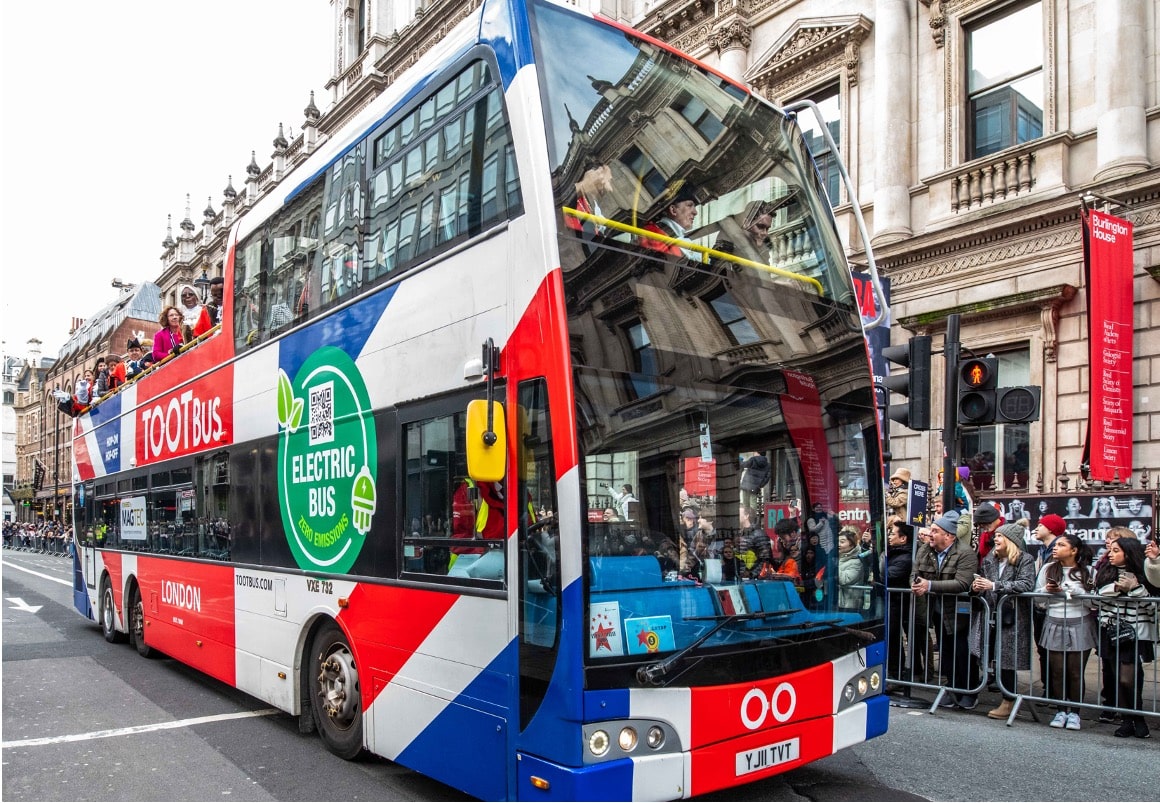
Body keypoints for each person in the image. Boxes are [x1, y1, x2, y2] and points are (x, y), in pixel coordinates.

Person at [911, 509, 979, 709]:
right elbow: (916, 572)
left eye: (935, 530)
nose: (929, 534)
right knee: (947, 653)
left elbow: (962, 583)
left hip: (960, 611)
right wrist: (915, 584)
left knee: (962, 652)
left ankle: (968, 691)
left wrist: (929, 586)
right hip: (938, 611)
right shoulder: (925, 550)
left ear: (948, 536)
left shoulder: (965, 553)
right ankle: (951, 688)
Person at [1092, 532, 1158, 738]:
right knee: (1117, 678)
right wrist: (1115, 588)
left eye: (1116, 550)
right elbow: (1094, 601)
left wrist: (1136, 589)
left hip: (1134, 633)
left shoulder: (1145, 574)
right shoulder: (1105, 571)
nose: (1110, 554)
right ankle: (1127, 720)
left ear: (1128, 553)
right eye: (1110, 550)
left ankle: (1137, 718)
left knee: (1128, 678)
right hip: (1110, 631)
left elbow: (1153, 608)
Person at [969, 523, 1036, 720]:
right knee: (992, 656)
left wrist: (995, 585)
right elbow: (983, 582)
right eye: (995, 536)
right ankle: (1007, 697)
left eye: (1000, 536)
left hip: (1012, 616)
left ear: (1011, 540)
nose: (995, 540)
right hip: (990, 615)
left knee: (1007, 660)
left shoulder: (1025, 559)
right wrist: (977, 587)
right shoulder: (990, 559)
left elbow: (1026, 584)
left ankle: (1009, 700)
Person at [1034, 532, 1097, 730]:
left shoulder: (1088, 572)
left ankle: (1075, 713)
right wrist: (1047, 591)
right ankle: (1060, 710)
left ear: (1074, 550)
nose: (1055, 547)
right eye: (1056, 544)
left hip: (1080, 623)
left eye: (1061, 545)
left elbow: (1096, 603)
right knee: (1057, 671)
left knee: (1075, 672)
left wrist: (1079, 593)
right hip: (1054, 622)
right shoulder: (1047, 569)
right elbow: (1037, 600)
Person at [1030, 513, 1068, 690]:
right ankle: (1049, 687)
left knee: (1054, 652)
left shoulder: (1057, 551)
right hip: (1040, 606)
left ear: (1051, 529)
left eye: (1040, 525)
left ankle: (1055, 689)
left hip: (1053, 609)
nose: (1036, 528)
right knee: (1042, 649)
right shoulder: (1042, 550)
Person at [884, 520, 920, 689]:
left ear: (903, 538)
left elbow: (885, 575)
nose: (889, 536)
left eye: (892, 533)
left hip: (898, 603)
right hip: (892, 602)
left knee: (894, 639)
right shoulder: (894, 553)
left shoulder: (905, 558)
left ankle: (897, 674)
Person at [640, 181, 699, 260]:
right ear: (673, 210)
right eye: (689, 205)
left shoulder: (681, 238)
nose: (695, 212)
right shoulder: (651, 234)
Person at [836, 527, 867, 612]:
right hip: (837, 603)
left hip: (849, 606)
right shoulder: (838, 557)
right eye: (837, 541)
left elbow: (844, 580)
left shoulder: (857, 562)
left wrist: (832, 565)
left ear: (852, 544)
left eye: (842, 542)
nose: (838, 544)